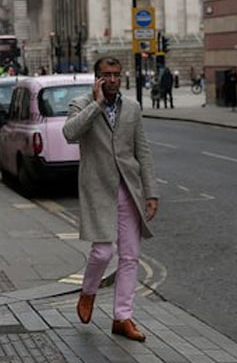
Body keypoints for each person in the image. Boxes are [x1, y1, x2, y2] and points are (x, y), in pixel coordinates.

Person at [63, 56, 159, 343]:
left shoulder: (133, 108)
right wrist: (97, 104)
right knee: (103, 252)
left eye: (117, 74)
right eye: (107, 75)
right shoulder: (81, 104)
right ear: (97, 78)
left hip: (129, 189)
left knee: (130, 256)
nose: (113, 80)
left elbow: (143, 152)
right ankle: (88, 292)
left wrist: (151, 192)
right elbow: (70, 133)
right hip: (98, 189)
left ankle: (122, 318)